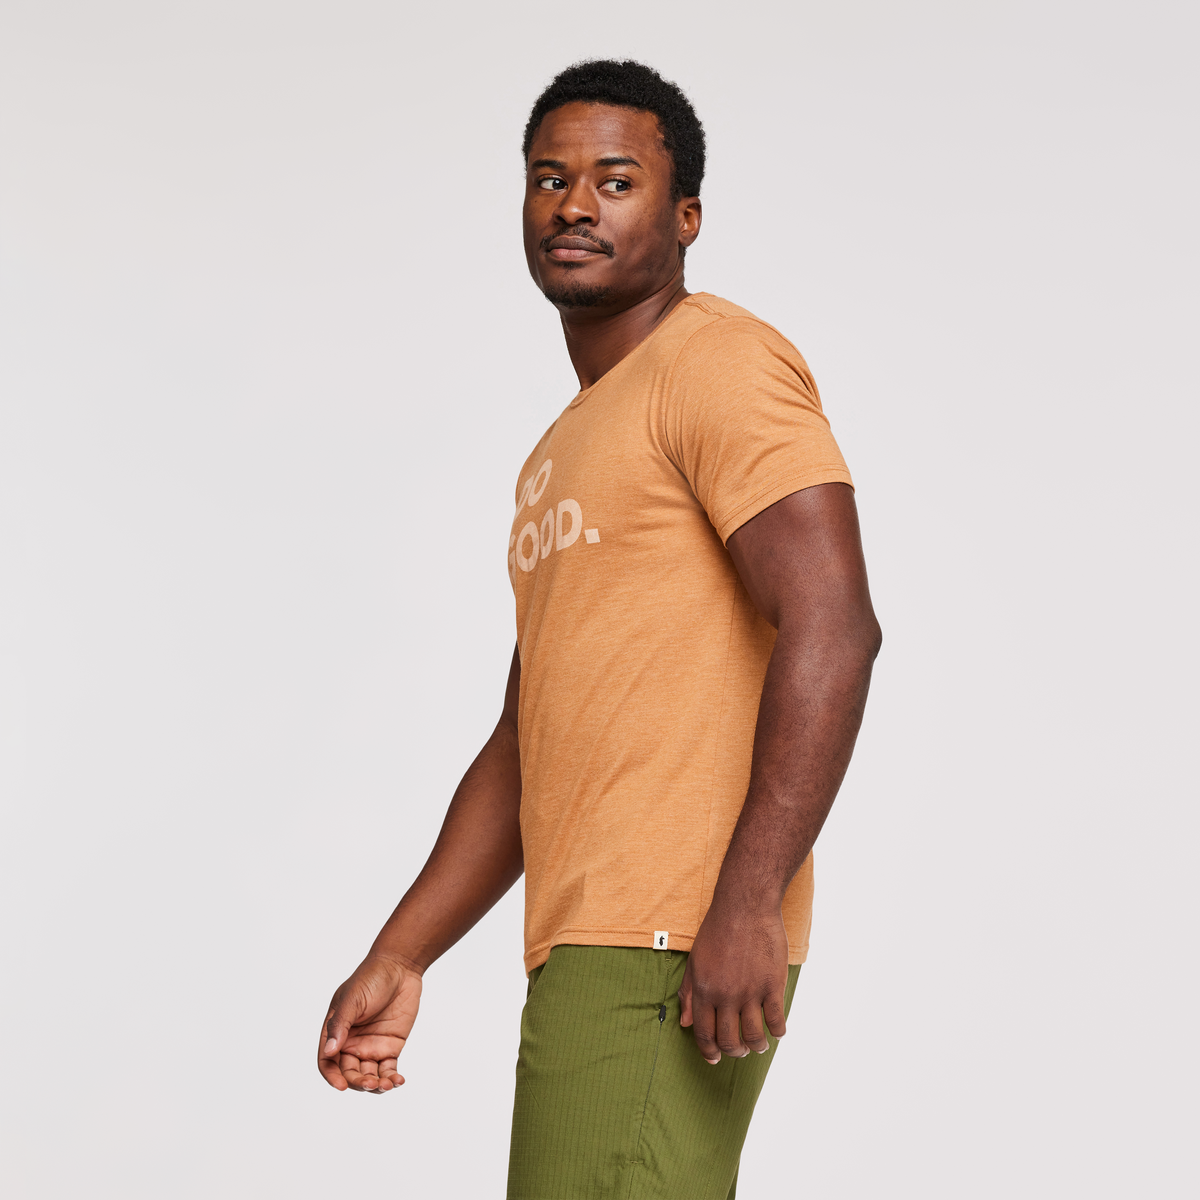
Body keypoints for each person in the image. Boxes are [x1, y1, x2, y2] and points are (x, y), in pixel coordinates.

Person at [317, 59, 881, 1199]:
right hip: (592, 941)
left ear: (686, 217)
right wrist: (403, 950)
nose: (574, 204)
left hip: (674, 941)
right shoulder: (566, 445)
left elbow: (835, 624)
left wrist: (746, 902)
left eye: (615, 181)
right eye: (549, 179)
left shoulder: (716, 361)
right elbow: (526, 739)